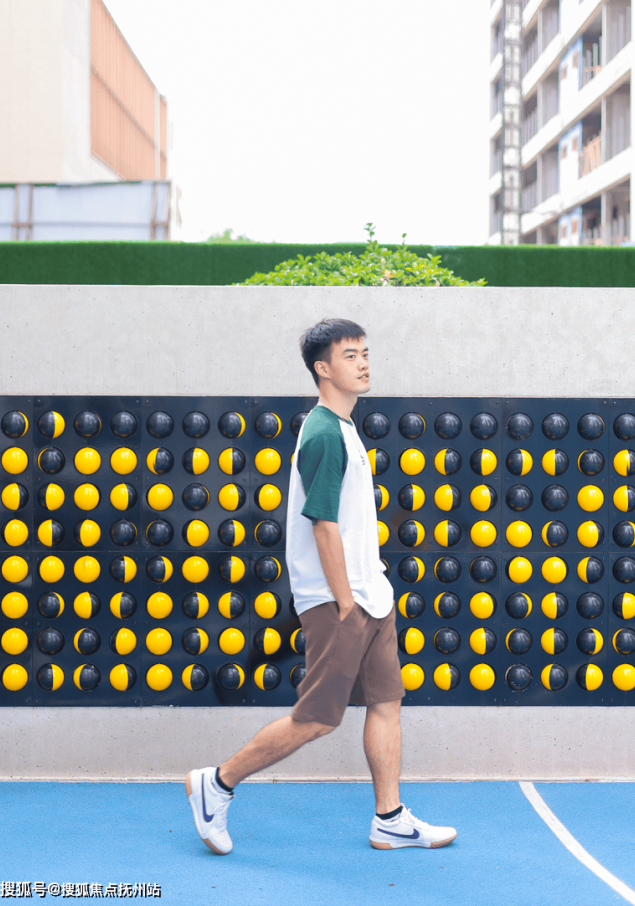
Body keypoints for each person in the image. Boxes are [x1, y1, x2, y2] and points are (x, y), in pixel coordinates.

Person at [186, 318, 457, 855]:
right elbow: (323, 523)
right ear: (323, 368)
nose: (363, 363)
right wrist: (346, 602)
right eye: (350, 355)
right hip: (340, 602)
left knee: (387, 702)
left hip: (370, 595)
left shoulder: (345, 428)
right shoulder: (324, 434)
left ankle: (389, 819)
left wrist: (367, 595)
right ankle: (216, 783)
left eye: (365, 353)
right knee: (315, 718)